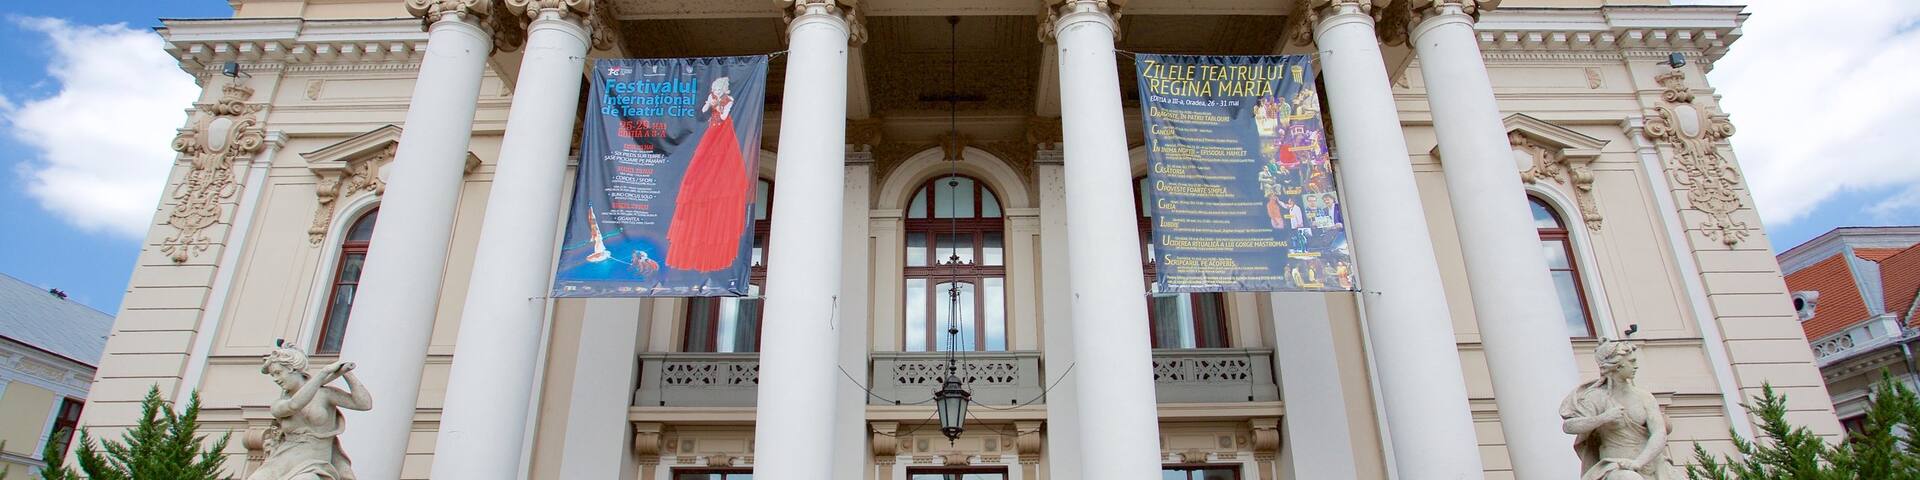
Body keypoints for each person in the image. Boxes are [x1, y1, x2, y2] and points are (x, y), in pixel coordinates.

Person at [1559, 339, 1681, 480]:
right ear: (1617, 366)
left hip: (1650, 463)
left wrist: (1638, 462)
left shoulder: (1644, 397)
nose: (1636, 366)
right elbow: (1569, 426)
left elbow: (1659, 433)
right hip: (1616, 466)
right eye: (1632, 361)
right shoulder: (1596, 397)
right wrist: (1602, 418)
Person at [665, 75, 752, 272]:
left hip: (723, 133)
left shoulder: (728, 100)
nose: (717, 91)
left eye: (719, 88)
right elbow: (704, 112)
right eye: (715, 89)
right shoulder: (714, 96)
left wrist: (717, 105)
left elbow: (722, 117)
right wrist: (708, 103)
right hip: (712, 132)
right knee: (701, 164)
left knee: (724, 167)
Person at [250, 344, 371, 480]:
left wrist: (347, 373)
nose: (275, 379)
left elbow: (364, 404)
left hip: (315, 463)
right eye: (273, 375)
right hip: (282, 461)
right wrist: (323, 373)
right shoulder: (279, 404)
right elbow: (295, 405)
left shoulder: (325, 394)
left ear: (292, 369)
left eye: (278, 373)